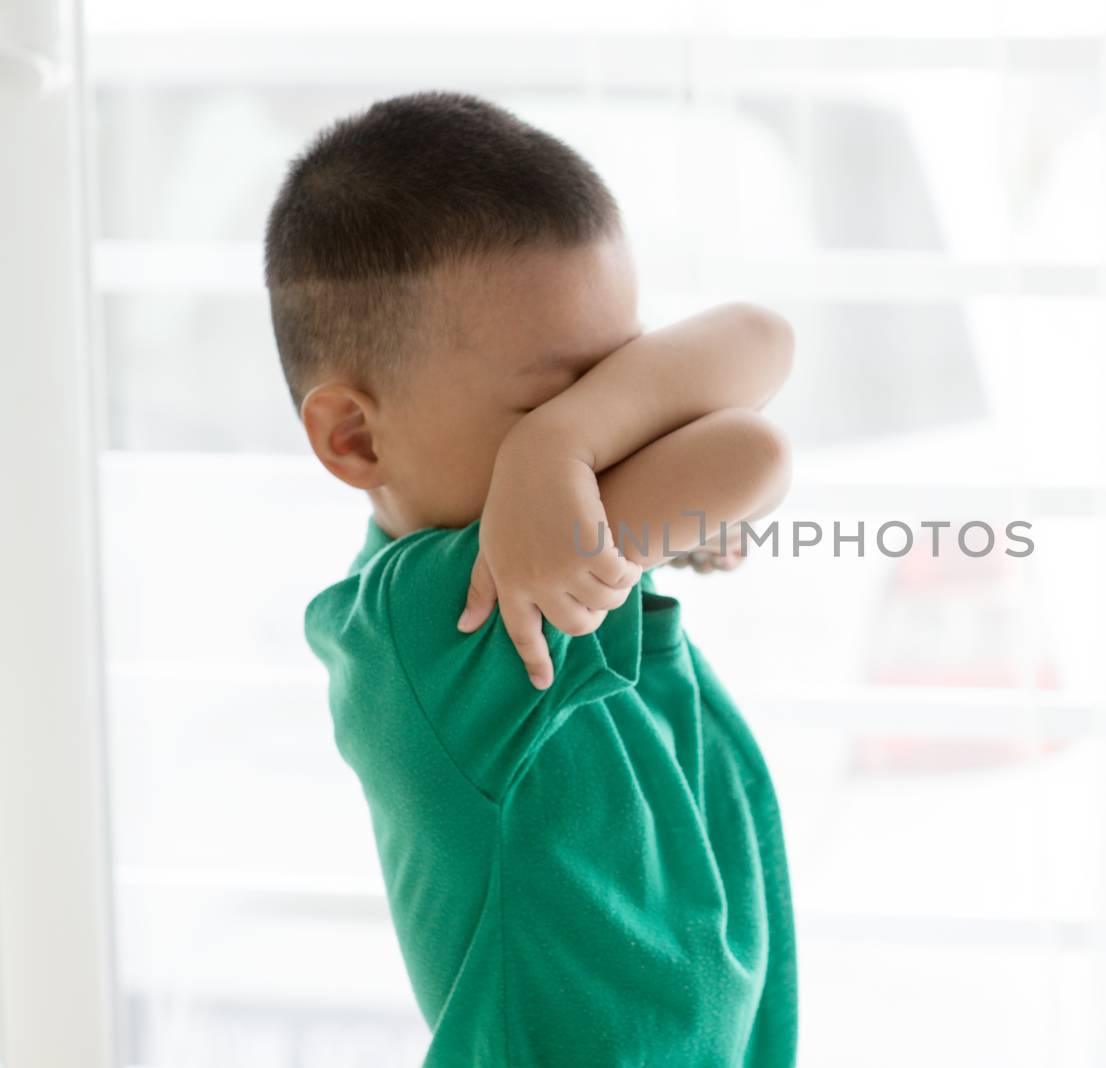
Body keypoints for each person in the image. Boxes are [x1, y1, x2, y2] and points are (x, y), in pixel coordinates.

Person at [269, 90, 797, 1066]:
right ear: (354, 437)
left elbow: (763, 339)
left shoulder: (553, 519)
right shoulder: (432, 624)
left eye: (625, 370)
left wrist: (554, 436)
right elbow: (750, 454)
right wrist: (584, 453)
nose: (617, 412)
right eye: (560, 393)